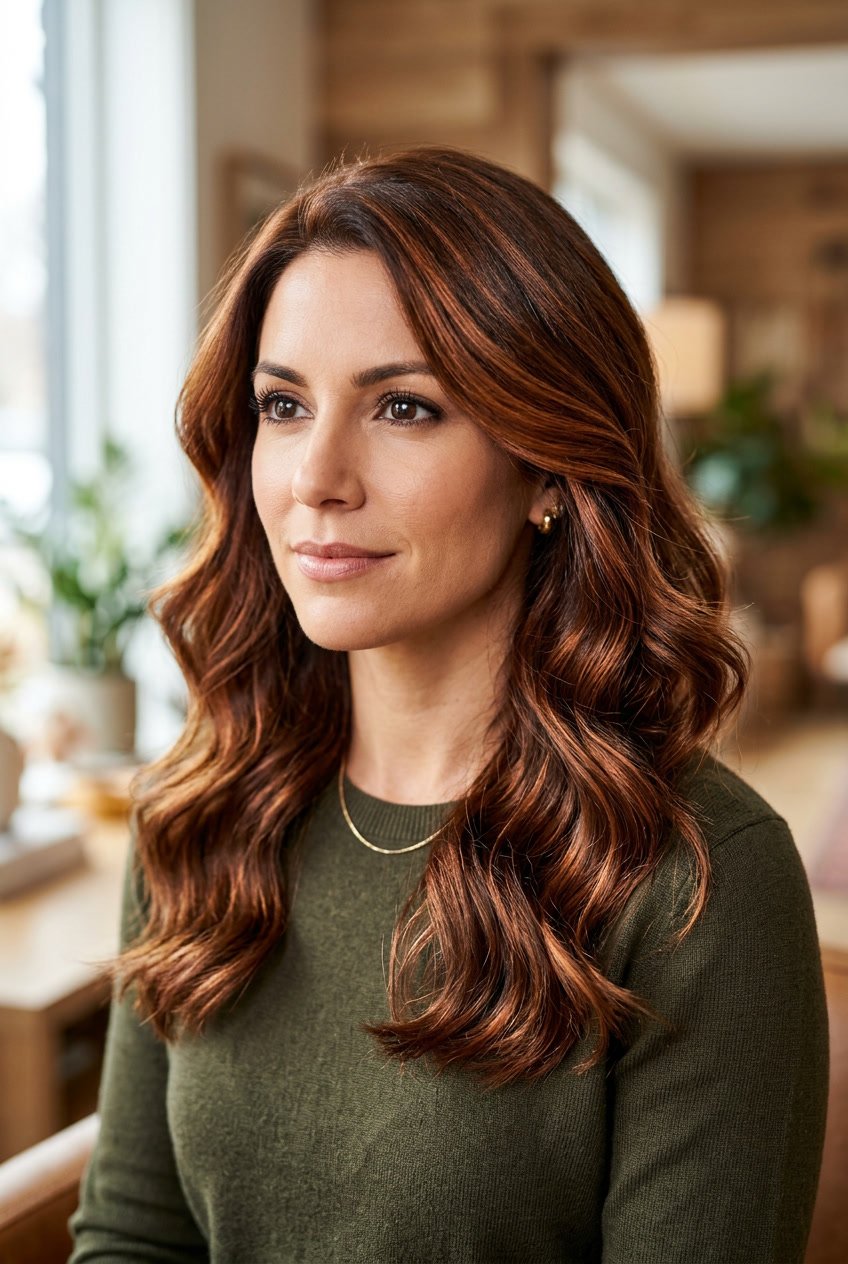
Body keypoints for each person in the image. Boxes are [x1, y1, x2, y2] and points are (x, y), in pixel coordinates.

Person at [68, 145, 828, 1263]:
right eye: (282, 404)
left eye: (404, 408)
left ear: (548, 466)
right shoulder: (204, 808)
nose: (315, 476)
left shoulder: (693, 879)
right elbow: (133, 1233)